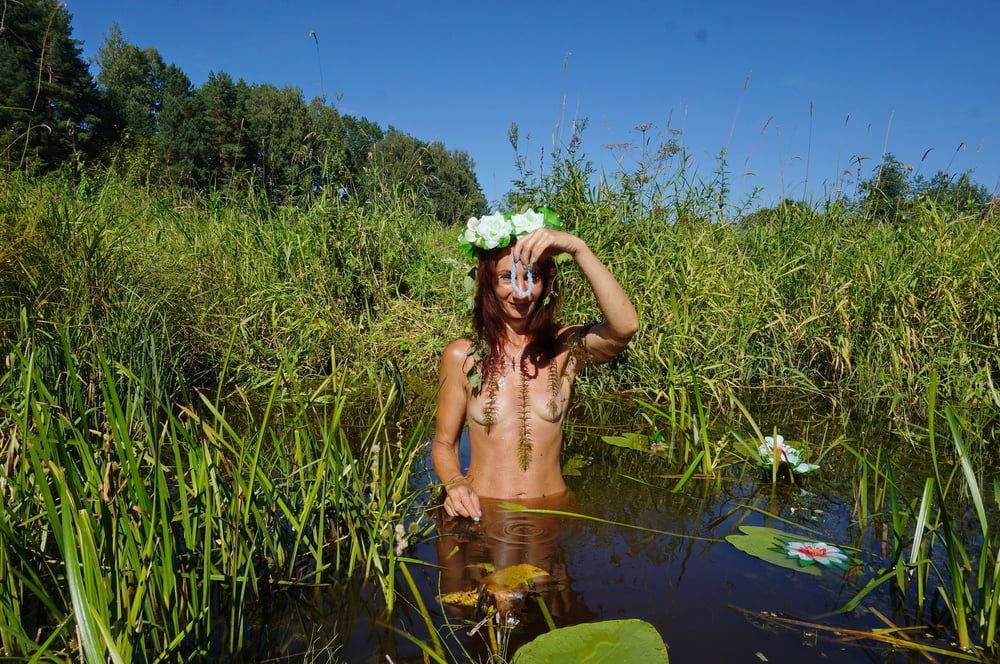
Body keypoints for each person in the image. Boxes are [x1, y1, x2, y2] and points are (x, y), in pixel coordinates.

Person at [432, 208, 638, 519]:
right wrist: (455, 484)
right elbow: (444, 444)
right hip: (482, 512)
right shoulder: (463, 357)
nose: (520, 291)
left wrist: (577, 248)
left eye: (532, 276)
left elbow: (625, 327)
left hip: (553, 512)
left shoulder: (563, 349)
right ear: (487, 283)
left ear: (545, 285)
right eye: (506, 277)